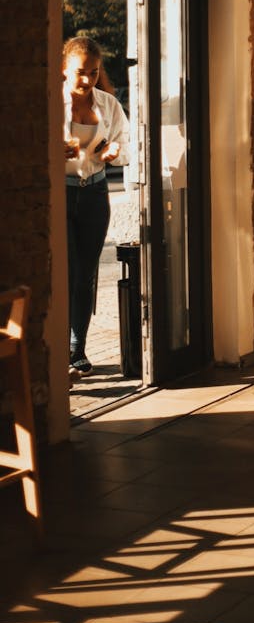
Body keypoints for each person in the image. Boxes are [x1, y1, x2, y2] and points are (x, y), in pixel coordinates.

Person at [63, 36, 130, 376]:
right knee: (68, 269)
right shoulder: (51, 101)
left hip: (95, 193)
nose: (86, 80)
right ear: (65, 69)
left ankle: (77, 350)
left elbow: (124, 144)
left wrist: (114, 153)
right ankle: (60, 345)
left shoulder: (107, 105)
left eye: (93, 72)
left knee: (85, 274)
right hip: (62, 192)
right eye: (79, 72)